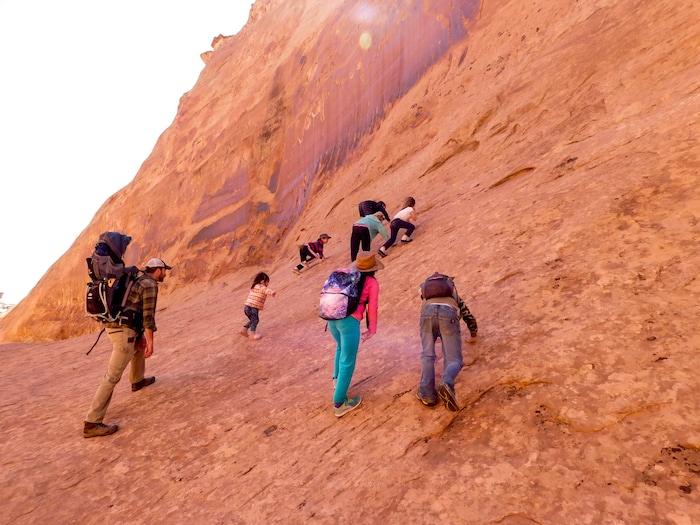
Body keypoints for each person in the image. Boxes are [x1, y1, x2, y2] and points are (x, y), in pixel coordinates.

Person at [83, 257, 172, 438]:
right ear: (157, 270)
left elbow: (134, 309)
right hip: (123, 332)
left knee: (137, 345)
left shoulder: (137, 278)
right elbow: (148, 315)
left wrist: (141, 336)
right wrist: (151, 341)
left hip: (118, 326)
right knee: (112, 377)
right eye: (164, 270)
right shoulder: (149, 284)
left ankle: (137, 380)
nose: (165, 273)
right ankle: (92, 422)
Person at [328, 251, 383, 417]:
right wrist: (372, 328)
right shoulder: (371, 282)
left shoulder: (345, 274)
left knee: (340, 348)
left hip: (331, 317)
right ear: (374, 269)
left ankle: (336, 381)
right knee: (348, 361)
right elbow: (372, 307)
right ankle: (340, 403)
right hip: (349, 322)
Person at [416, 272, 478, 412]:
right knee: (454, 360)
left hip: (427, 315)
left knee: (427, 356)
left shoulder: (426, 297)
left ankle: (427, 394)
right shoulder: (453, 295)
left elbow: (433, 316)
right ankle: (446, 382)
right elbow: (468, 316)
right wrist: (473, 333)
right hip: (448, 315)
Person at [240, 272, 276, 340]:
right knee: (256, 320)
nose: (267, 284)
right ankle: (253, 334)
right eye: (267, 282)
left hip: (246, 307)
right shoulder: (262, 287)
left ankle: (244, 329)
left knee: (253, 320)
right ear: (262, 281)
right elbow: (266, 290)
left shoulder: (254, 286)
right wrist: (272, 292)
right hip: (253, 307)